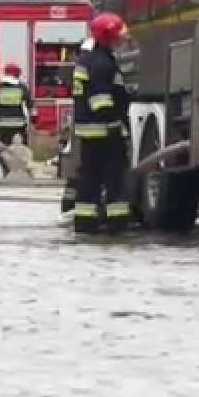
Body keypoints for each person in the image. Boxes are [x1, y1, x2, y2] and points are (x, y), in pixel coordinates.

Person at [71, 13, 132, 233]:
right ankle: (117, 224)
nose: (122, 40)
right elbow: (101, 100)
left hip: (89, 131)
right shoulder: (102, 63)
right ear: (108, 37)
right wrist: (116, 123)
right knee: (114, 178)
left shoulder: (88, 60)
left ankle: (85, 222)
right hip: (104, 131)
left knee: (89, 177)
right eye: (119, 36)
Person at [60, 37, 96, 215]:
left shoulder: (77, 68)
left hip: (79, 120)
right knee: (85, 169)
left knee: (76, 171)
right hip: (89, 122)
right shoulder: (94, 67)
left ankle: (70, 208)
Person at [0, 62, 33, 166]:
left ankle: (5, 168)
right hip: (19, 124)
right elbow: (30, 104)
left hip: (3, 124)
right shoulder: (22, 88)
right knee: (22, 148)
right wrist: (32, 120)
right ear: (17, 75)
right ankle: (22, 166)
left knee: (3, 147)